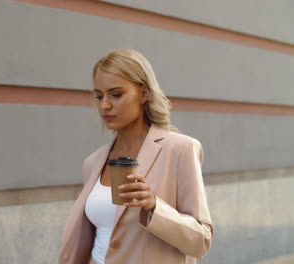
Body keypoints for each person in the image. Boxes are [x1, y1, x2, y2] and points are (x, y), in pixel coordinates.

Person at [58, 49, 213, 264]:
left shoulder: (180, 149)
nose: (105, 105)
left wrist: (154, 206)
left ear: (144, 93)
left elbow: (201, 241)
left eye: (116, 94)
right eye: (99, 96)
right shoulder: (93, 162)